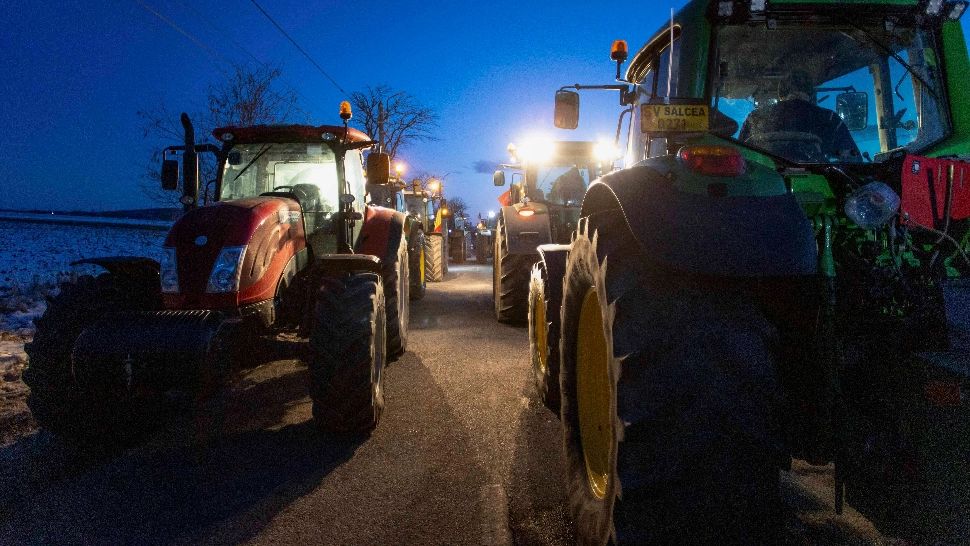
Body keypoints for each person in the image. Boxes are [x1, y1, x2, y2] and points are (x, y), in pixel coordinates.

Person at [739, 70, 860, 162]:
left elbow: (739, 156)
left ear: (780, 93)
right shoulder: (829, 119)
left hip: (763, 184)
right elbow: (852, 160)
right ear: (811, 93)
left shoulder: (756, 117)